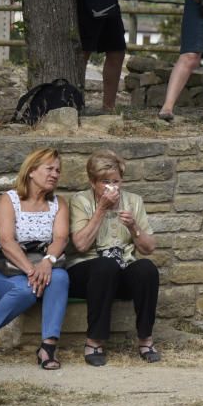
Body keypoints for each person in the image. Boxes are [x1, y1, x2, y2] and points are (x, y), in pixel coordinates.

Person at [68, 149, 160, 366]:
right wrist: (101, 209)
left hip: (120, 271)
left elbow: (149, 248)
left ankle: (145, 339)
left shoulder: (134, 201)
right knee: (105, 266)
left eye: (116, 181)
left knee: (146, 268)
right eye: (105, 182)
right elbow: (80, 245)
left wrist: (133, 226)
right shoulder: (80, 201)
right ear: (93, 182)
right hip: (86, 273)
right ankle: (94, 341)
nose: (112, 187)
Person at [0, 148, 69, 369]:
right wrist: (32, 271)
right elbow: (6, 241)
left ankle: (48, 348)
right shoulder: (9, 199)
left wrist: (47, 262)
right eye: (49, 168)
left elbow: (60, 238)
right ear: (31, 171)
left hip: (42, 265)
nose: (55, 174)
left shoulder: (58, 203)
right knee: (26, 290)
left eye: (58, 170)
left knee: (60, 277)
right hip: (3, 268)